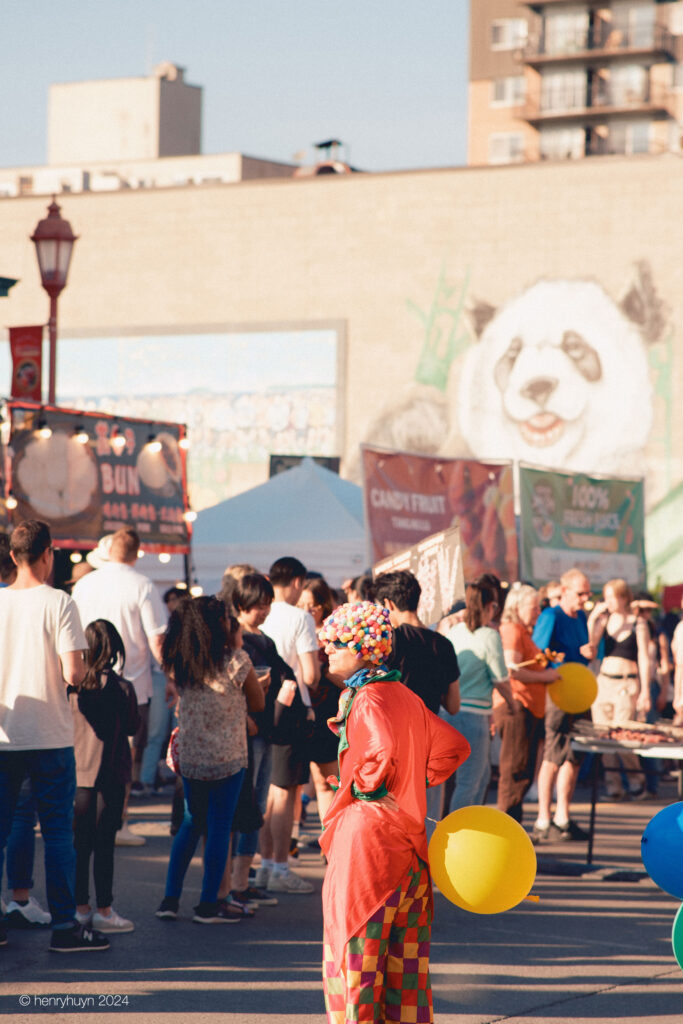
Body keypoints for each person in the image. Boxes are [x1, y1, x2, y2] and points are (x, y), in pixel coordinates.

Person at [318, 602, 470, 1024]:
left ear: (364, 649)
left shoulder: (365, 697)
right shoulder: (405, 694)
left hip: (368, 848)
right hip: (411, 848)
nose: (327, 650)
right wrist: (414, 780)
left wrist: (365, 785)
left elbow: (381, 749)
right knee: (407, 977)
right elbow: (454, 747)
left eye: (337, 643)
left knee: (356, 968)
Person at [0, 520, 108, 952]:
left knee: (7, 827)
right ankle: (66, 926)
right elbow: (74, 672)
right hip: (50, 733)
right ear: (48, 554)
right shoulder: (60, 602)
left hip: (6, 735)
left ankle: (11, 910)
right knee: (59, 832)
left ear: (13, 555)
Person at [156, 597, 264, 923]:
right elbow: (257, 703)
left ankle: (169, 900)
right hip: (229, 758)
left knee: (190, 824)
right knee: (219, 827)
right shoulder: (236, 661)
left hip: (191, 756)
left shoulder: (180, 662)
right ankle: (208, 904)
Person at [72, 527, 167, 845]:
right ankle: (117, 822)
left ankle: (84, 820)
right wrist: (171, 677)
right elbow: (157, 638)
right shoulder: (142, 584)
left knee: (83, 752)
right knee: (124, 756)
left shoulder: (85, 583)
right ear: (137, 553)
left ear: (109, 549)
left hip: (84, 679)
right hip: (131, 683)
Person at [71, 620, 139, 932]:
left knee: (79, 845)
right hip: (111, 773)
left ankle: (80, 906)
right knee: (105, 845)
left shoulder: (72, 689)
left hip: (77, 775)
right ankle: (105, 909)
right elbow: (131, 727)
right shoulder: (123, 688)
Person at [259, 556, 320, 894]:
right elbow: (310, 675)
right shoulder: (300, 618)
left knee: (267, 790)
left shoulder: (259, 614)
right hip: (291, 711)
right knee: (284, 792)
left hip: (260, 707)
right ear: (298, 581)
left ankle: (266, 864)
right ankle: (280, 867)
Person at [531, 568, 593, 842]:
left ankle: (563, 817)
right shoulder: (550, 616)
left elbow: (583, 654)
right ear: (565, 591)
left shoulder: (581, 617)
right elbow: (536, 656)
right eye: (581, 593)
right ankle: (544, 818)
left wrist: (587, 653)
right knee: (553, 754)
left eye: (587, 593)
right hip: (557, 693)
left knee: (574, 754)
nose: (585, 598)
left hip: (580, 693)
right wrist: (554, 660)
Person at [441, 580, 513, 811]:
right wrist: (513, 704)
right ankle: (461, 835)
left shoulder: (454, 632)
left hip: (449, 712)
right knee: (471, 783)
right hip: (474, 717)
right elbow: (500, 678)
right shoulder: (489, 636)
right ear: (490, 606)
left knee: (471, 779)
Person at [494, 585, 560, 822]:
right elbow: (512, 670)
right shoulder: (512, 629)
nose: (537, 614)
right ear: (516, 607)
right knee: (514, 772)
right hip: (517, 706)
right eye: (533, 608)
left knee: (521, 771)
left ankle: (513, 827)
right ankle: (506, 829)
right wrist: (546, 676)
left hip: (528, 708)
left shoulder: (523, 631)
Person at [587, 579, 650, 799]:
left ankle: (636, 780)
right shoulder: (605, 621)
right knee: (603, 735)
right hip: (604, 681)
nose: (609, 602)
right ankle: (613, 785)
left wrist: (645, 690)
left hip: (626, 682)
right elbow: (590, 647)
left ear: (623, 598)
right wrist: (594, 618)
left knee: (623, 734)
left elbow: (643, 656)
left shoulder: (637, 623)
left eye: (612, 597)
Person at [298, 577, 345, 825]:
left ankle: (330, 839)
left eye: (313, 605)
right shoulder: (296, 629)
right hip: (301, 713)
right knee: (299, 784)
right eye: (302, 604)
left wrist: (323, 670)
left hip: (327, 713)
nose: (307, 610)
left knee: (326, 782)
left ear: (324, 605)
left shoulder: (333, 634)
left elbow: (347, 680)